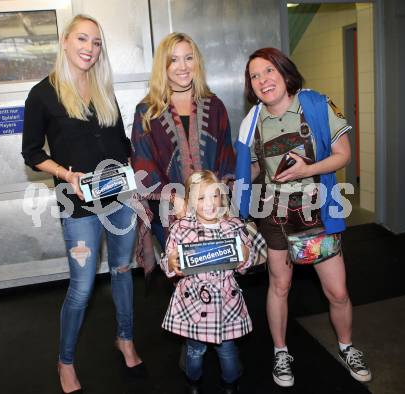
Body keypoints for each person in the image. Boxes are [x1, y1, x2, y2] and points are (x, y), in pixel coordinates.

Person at [236, 47, 372, 387]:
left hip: (318, 213)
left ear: (284, 72)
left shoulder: (316, 105)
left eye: (268, 71)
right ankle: (281, 352)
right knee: (279, 286)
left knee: (337, 290)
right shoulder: (251, 123)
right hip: (275, 216)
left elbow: (343, 155)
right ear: (250, 86)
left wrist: (308, 169)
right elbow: (250, 169)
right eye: (255, 76)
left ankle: (346, 346)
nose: (263, 80)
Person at [21, 14, 143, 393]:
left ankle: (125, 338)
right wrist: (65, 174)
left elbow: (121, 143)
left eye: (96, 42)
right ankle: (66, 361)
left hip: (119, 197)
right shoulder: (43, 93)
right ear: (65, 41)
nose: (90, 48)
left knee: (123, 269)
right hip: (77, 204)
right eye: (83, 40)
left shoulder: (103, 87)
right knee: (82, 287)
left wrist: (134, 177)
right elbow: (31, 152)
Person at [131, 32, 235, 273]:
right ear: (163, 66)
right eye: (174, 60)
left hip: (212, 207)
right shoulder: (147, 111)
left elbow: (226, 155)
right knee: (184, 279)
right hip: (169, 209)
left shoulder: (215, 106)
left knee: (219, 275)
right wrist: (175, 199)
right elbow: (143, 164)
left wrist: (212, 196)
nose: (183, 67)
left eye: (189, 58)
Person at [161, 170, 255, 394]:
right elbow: (168, 263)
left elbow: (246, 265)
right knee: (195, 351)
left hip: (226, 302)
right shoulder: (180, 229)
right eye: (202, 198)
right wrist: (173, 264)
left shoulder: (233, 226)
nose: (210, 203)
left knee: (228, 352)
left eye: (215, 196)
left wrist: (244, 253)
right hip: (194, 302)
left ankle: (230, 383)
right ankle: (193, 382)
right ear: (191, 201)